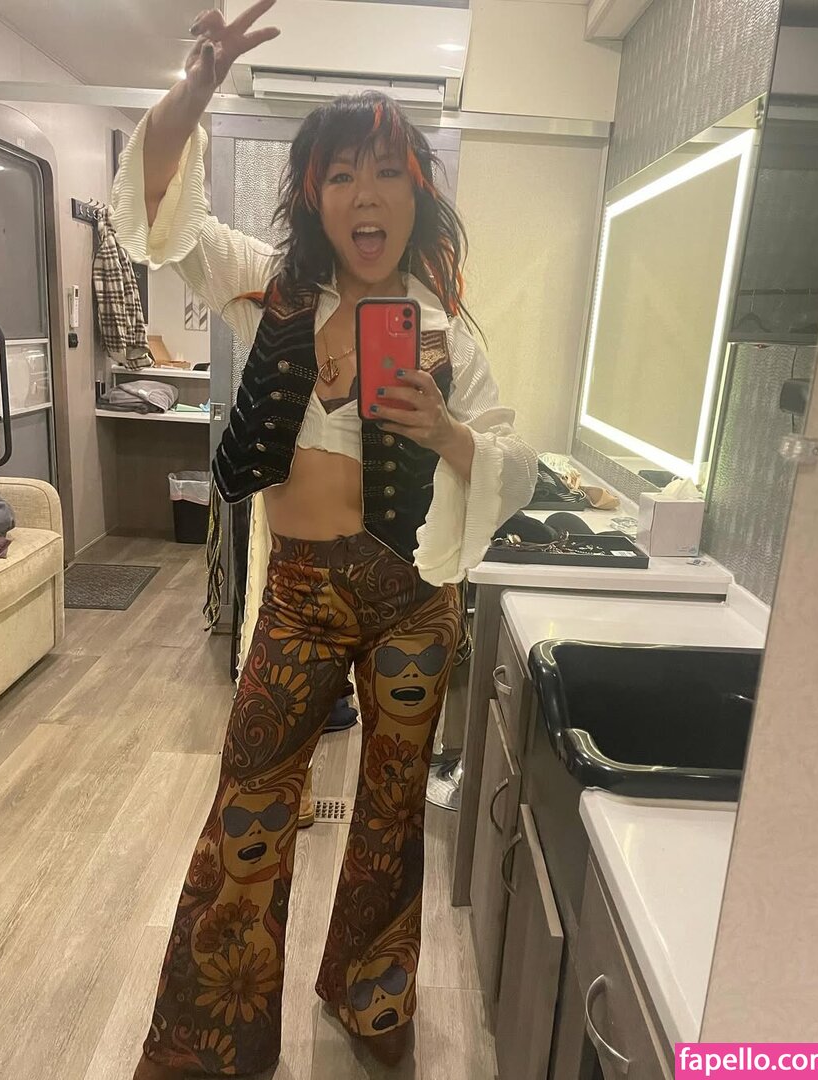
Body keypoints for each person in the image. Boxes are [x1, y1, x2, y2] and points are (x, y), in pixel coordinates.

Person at [113, 3, 537, 1076]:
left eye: (388, 172)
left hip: (415, 598)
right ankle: (213, 1036)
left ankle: (371, 999)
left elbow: (511, 460)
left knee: (391, 813)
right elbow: (162, 221)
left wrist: (447, 432)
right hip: (300, 592)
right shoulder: (271, 289)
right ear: (314, 192)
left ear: (417, 194)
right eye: (342, 173)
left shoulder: (447, 331)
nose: (366, 192)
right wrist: (194, 91)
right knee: (249, 802)